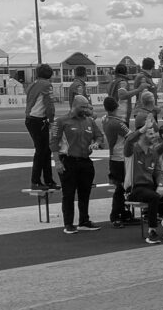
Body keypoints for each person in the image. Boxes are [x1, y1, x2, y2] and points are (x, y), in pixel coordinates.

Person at [124, 120, 163, 243]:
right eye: (150, 134)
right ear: (142, 135)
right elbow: (129, 140)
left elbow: (158, 172)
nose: (154, 136)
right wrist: (142, 129)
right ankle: (152, 231)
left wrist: (160, 185)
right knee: (154, 197)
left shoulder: (153, 152)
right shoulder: (132, 151)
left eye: (154, 134)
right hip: (134, 189)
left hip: (150, 187)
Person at [50, 95, 105, 234]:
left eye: (87, 106)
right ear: (74, 106)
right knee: (68, 194)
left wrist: (97, 143)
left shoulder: (89, 121)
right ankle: (68, 224)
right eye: (83, 106)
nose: (86, 109)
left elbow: (99, 136)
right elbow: (53, 143)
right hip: (68, 161)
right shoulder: (61, 121)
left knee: (85, 193)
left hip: (85, 162)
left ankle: (84, 221)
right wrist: (57, 161)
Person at [101, 97, 137, 228]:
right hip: (121, 157)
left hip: (114, 157)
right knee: (122, 187)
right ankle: (116, 215)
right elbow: (132, 137)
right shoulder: (117, 123)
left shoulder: (105, 119)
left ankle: (122, 213)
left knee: (121, 187)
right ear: (116, 107)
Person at [25, 64, 57, 190]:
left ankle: (47, 180)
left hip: (32, 119)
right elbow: (49, 104)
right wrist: (52, 120)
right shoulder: (46, 85)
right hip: (38, 120)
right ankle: (36, 181)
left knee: (45, 150)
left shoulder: (34, 84)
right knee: (41, 151)